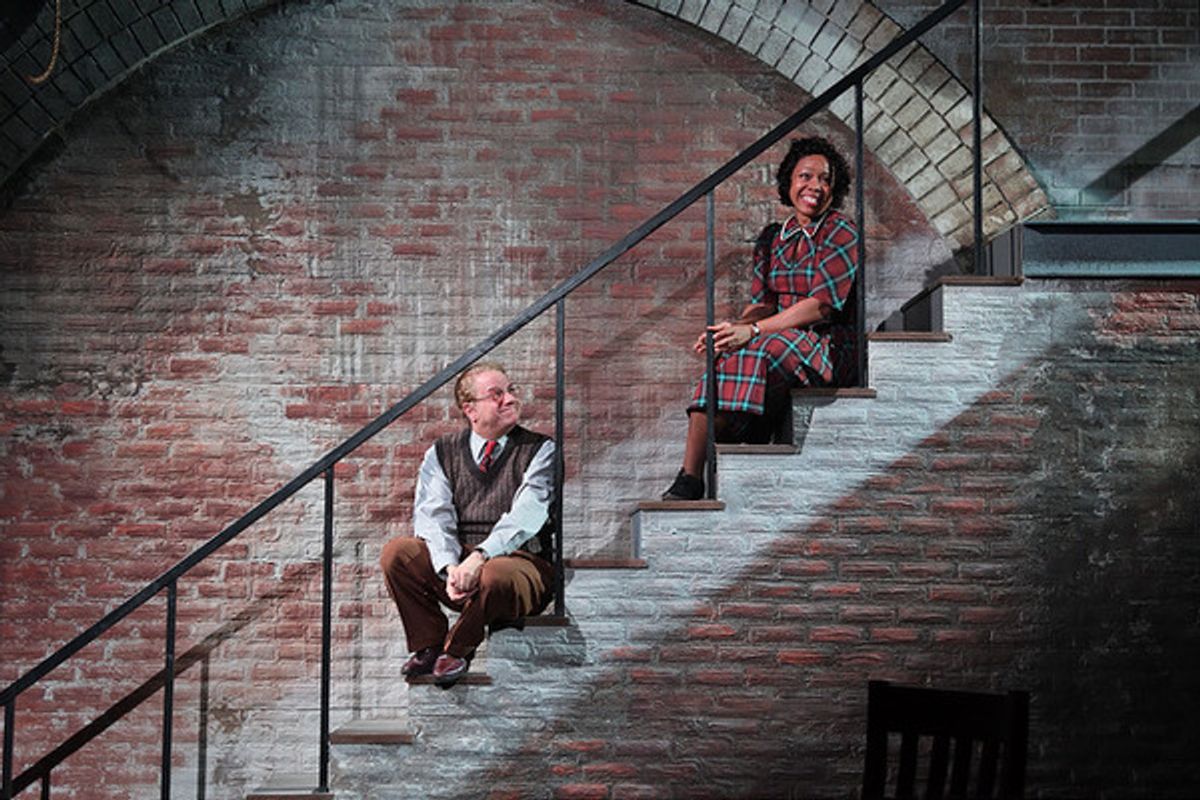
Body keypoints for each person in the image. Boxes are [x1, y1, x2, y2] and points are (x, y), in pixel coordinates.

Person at [661, 135, 860, 501]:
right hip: (779, 338)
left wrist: (751, 331)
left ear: (836, 188)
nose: (815, 185)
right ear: (789, 183)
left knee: (759, 348)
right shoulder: (772, 237)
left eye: (825, 179)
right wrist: (731, 330)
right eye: (805, 176)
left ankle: (748, 428)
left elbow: (821, 305)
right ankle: (691, 476)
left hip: (828, 342)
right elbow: (763, 303)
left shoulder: (840, 230)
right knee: (723, 355)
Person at [380, 361, 556, 687]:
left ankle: (458, 648)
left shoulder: (540, 449)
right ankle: (428, 645)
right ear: (470, 410)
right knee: (398, 553)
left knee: (494, 573)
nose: (510, 399)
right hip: (463, 566)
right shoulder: (442, 452)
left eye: (511, 391)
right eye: (497, 394)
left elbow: (527, 515)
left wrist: (480, 556)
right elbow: (434, 517)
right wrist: (449, 569)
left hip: (522, 565)